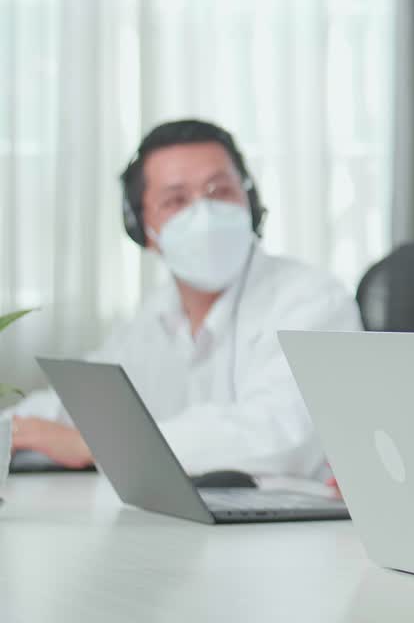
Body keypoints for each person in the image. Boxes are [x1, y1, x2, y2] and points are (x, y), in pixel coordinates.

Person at [5, 120, 361, 479]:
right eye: (176, 200)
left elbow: (280, 438)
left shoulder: (313, 300)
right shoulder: (155, 313)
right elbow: (85, 406)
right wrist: (12, 429)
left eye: (219, 192)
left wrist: (92, 445)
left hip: (299, 527)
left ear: (249, 202)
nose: (203, 214)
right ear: (142, 228)